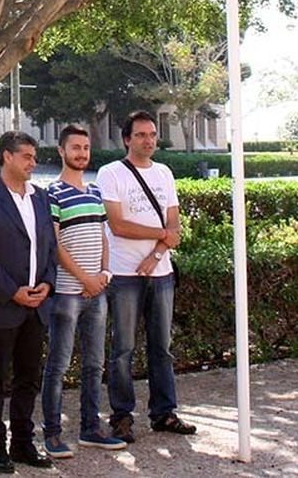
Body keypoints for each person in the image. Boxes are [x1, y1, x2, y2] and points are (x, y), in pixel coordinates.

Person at [102, 111, 195, 444]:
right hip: (124, 273)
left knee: (162, 348)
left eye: (152, 134)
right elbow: (118, 225)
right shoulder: (110, 173)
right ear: (127, 139)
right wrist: (162, 236)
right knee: (123, 349)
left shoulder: (165, 173)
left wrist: (155, 255)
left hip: (161, 273)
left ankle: (164, 412)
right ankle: (122, 417)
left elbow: (176, 228)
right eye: (141, 134)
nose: (148, 140)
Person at [0, 130, 56, 473]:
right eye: (27, 156)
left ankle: (22, 443)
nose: (33, 162)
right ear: (7, 156)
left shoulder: (41, 198)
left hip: (37, 306)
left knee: (28, 378)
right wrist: (13, 291)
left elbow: (49, 246)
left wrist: (47, 283)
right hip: (2, 306)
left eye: (34, 157)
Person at [39, 125, 123, 458]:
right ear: (62, 151)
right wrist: (84, 279)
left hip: (97, 292)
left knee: (94, 364)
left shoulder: (95, 193)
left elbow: (103, 236)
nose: (82, 153)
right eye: (75, 147)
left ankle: (91, 429)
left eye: (86, 147)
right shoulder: (53, 193)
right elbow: (55, 246)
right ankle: (53, 434)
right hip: (68, 293)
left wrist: (103, 273)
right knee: (58, 365)